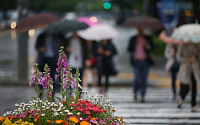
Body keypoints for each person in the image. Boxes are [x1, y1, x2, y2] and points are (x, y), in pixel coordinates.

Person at [127, 28, 154, 103]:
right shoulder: (133, 38)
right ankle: (135, 91)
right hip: (136, 61)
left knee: (144, 79)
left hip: (145, 61)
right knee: (137, 78)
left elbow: (152, 48)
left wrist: (146, 45)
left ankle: (142, 95)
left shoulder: (147, 38)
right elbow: (129, 49)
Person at [35, 32, 64, 101]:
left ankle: (52, 95)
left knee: (52, 78)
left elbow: (60, 45)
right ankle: (40, 94)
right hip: (43, 59)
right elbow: (36, 46)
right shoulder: (41, 36)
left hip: (53, 59)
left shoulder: (57, 36)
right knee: (42, 78)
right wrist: (40, 48)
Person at [176, 42, 200, 112]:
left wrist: (196, 53)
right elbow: (178, 58)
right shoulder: (182, 46)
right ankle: (182, 99)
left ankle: (193, 105)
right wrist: (188, 59)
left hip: (195, 68)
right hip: (185, 69)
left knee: (194, 87)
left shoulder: (197, 45)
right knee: (186, 87)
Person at [66, 32, 90, 97]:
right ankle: (69, 96)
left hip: (80, 63)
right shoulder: (68, 40)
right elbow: (63, 49)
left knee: (80, 81)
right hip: (70, 62)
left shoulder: (82, 40)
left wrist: (87, 59)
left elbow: (86, 51)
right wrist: (67, 49)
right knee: (70, 80)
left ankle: (79, 96)